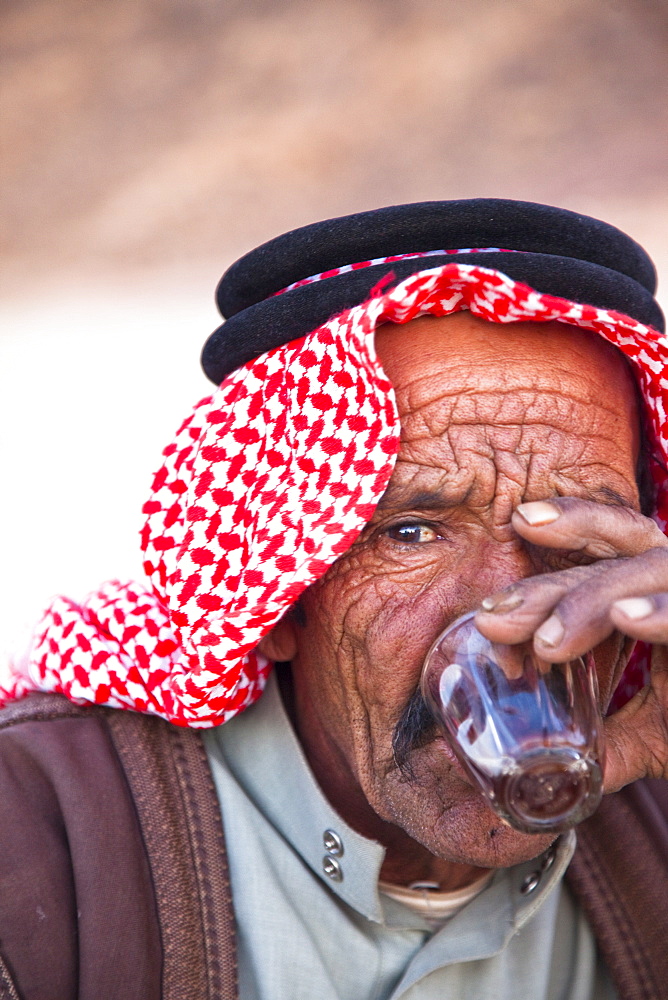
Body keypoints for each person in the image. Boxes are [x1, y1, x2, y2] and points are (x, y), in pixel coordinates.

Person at [0, 199, 667, 1000]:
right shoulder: (34, 843)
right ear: (280, 596)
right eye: (412, 534)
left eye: (579, 545)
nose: (510, 614)